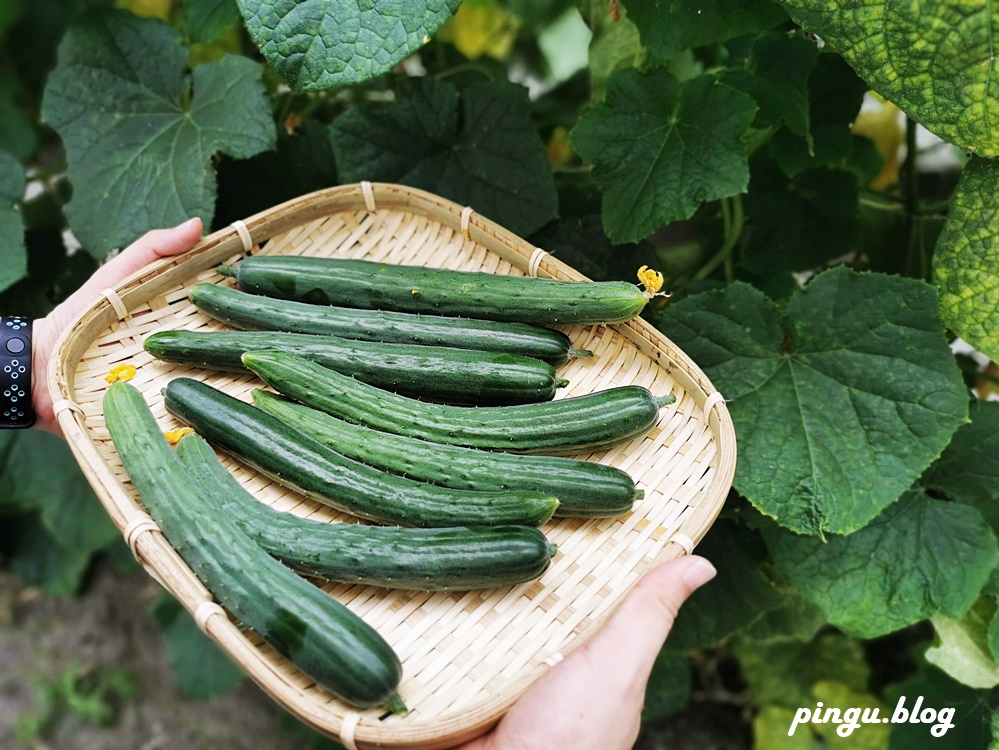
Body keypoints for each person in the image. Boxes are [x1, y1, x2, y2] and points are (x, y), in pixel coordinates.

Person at [27, 218, 718, 750]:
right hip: (245, 406)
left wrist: (25, 365)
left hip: (302, 398)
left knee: (442, 428)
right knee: (341, 475)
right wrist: (31, 369)